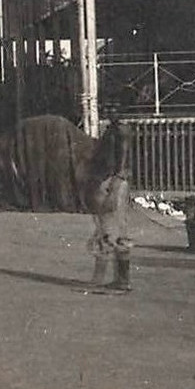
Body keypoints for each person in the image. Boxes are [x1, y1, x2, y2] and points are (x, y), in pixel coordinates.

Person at [83, 118, 134, 292]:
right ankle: (119, 279)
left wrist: (115, 183)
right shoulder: (115, 129)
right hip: (112, 181)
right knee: (113, 230)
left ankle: (102, 280)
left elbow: (122, 157)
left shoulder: (120, 130)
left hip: (112, 181)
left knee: (109, 231)